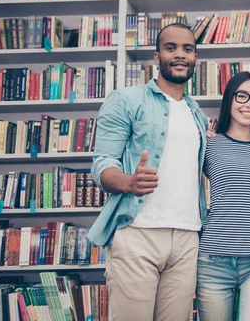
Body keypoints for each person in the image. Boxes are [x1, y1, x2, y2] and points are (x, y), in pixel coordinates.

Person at [88, 23, 208, 321]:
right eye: (171, 48)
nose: (180, 54)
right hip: (137, 233)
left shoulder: (198, 115)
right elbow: (102, 164)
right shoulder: (126, 100)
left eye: (188, 49)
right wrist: (129, 182)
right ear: (157, 57)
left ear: (195, 59)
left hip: (187, 237)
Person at [196, 72, 250, 321]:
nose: (249, 104)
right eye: (242, 96)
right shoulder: (208, 144)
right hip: (213, 260)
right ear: (229, 99)